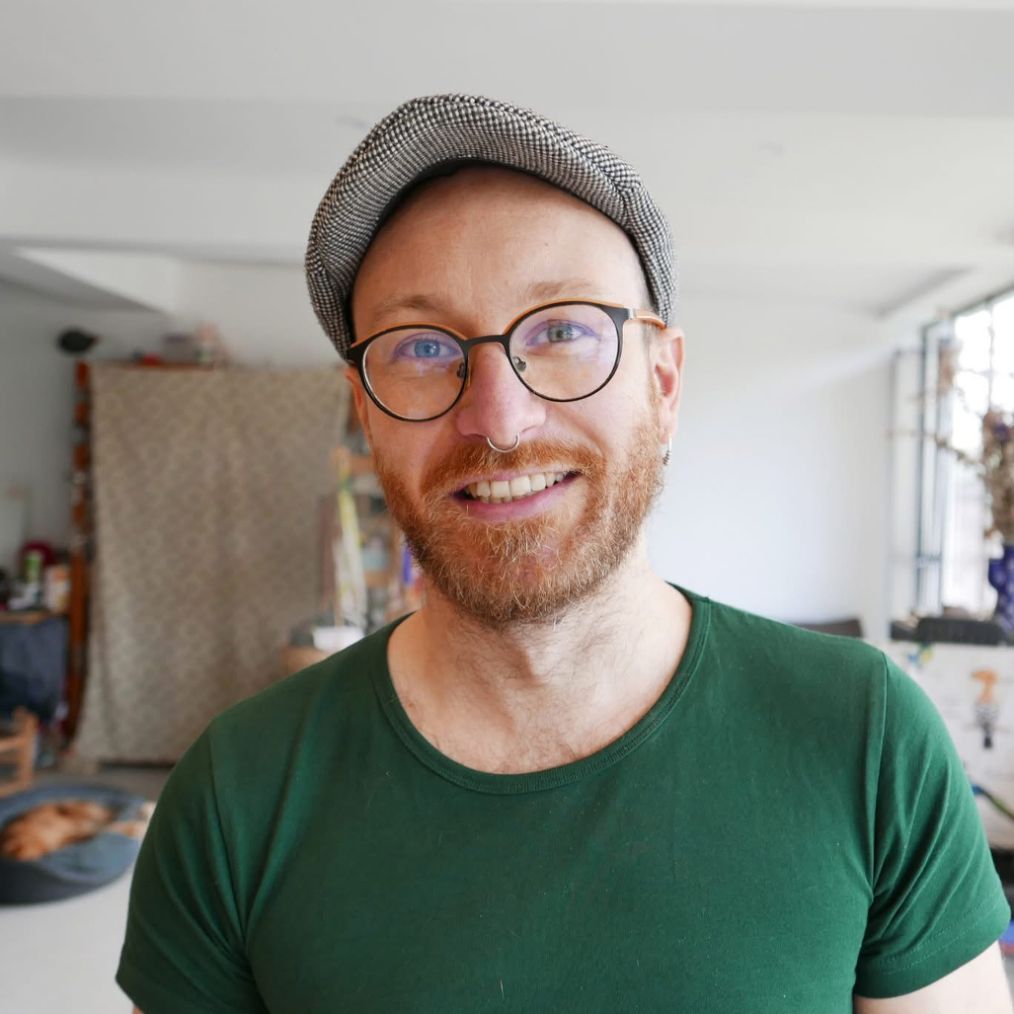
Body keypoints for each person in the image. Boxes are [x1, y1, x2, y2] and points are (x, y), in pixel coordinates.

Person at [119, 94, 1012, 1013]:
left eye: (561, 330)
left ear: (663, 382)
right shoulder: (235, 793)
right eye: (422, 347)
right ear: (366, 412)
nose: (499, 419)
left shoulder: (866, 736)